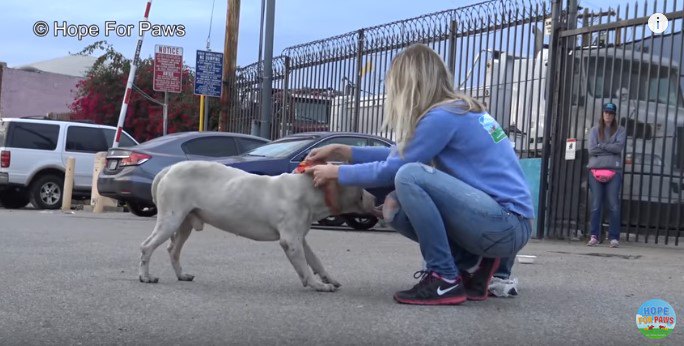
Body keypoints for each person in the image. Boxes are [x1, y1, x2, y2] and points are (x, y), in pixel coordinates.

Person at [304, 44, 535, 305]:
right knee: (398, 192)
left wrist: (336, 172)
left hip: (502, 225)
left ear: (409, 84)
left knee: (408, 176)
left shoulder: (442, 116)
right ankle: (468, 267)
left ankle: (445, 278)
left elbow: (396, 167)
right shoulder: (458, 110)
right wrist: (342, 151)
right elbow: (399, 153)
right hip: (509, 224)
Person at [586, 102, 626, 248]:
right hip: (595, 171)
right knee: (596, 205)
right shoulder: (594, 130)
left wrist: (601, 146)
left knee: (614, 205)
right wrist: (609, 149)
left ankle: (614, 237)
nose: (608, 115)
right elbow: (591, 149)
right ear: (602, 114)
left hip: (613, 171)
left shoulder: (620, 130)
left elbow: (619, 147)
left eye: (611, 113)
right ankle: (594, 236)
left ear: (614, 115)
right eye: (606, 112)